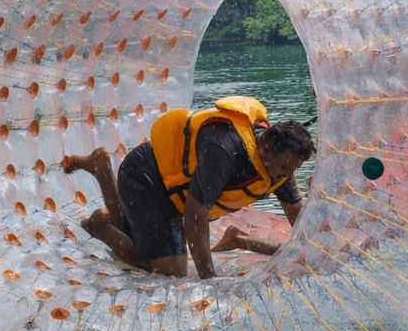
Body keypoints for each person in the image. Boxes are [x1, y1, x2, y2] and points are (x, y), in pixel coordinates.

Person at [63, 96, 315, 279]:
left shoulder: (280, 166)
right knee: (168, 273)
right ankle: (100, 227)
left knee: (135, 230)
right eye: (286, 167)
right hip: (146, 177)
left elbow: (298, 217)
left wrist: (315, 249)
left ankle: (101, 168)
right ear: (267, 148)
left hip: (175, 195)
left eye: (295, 169)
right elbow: (195, 214)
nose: (289, 175)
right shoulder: (225, 150)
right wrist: (209, 279)